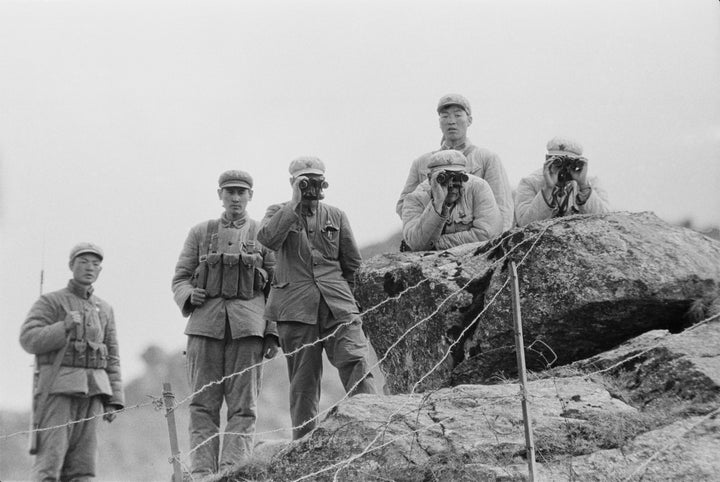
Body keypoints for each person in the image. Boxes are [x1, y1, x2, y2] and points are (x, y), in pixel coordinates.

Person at [257, 156, 376, 440]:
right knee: (303, 383)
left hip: (337, 306)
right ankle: (304, 446)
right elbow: (267, 239)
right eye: (304, 180)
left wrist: (350, 302)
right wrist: (294, 202)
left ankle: (376, 429)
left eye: (316, 179)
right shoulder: (278, 211)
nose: (312, 186)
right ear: (293, 183)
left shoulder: (335, 215)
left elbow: (353, 265)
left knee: (355, 360)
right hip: (295, 310)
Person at [171, 170, 279, 477]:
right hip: (205, 329)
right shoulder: (200, 233)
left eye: (241, 192)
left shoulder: (264, 235)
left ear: (250, 196)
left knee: (243, 408)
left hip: (248, 331)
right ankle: (204, 473)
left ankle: (234, 470)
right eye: (229, 191)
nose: (235, 197)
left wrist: (271, 334)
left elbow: (277, 286)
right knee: (203, 406)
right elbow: (179, 278)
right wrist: (190, 294)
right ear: (220, 194)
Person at [20, 242, 124, 482]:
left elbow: (113, 356)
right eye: (83, 262)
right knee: (49, 465)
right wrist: (62, 327)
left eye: (95, 264)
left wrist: (114, 400)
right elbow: (28, 339)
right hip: (58, 391)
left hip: (94, 394)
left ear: (100, 271)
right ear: (71, 266)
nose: (90, 268)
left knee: (83, 469)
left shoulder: (105, 309)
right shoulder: (51, 302)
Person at [396, 93, 514, 231]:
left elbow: (503, 207)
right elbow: (404, 206)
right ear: (439, 122)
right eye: (445, 116)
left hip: (476, 241)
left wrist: (497, 244)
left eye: (458, 115)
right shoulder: (422, 163)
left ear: (469, 120)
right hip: (431, 245)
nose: (451, 121)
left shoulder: (486, 159)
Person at [402, 150, 503, 251]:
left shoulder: (478, 188)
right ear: (430, 179)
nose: (451, 185)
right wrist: (437, 204)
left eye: (457, 178)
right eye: (444, 179)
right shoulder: (415, 199)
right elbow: (416, 244)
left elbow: (488, 234)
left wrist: (436, 244)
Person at [514, 136, 610, 226]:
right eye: (557, 162)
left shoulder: (591, 182)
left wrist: (584, 186)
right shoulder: (529, 183)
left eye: (569, 163)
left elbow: (604, 220)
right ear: (547, 160)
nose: (563, 168)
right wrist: (548, 189)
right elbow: (525, 223)